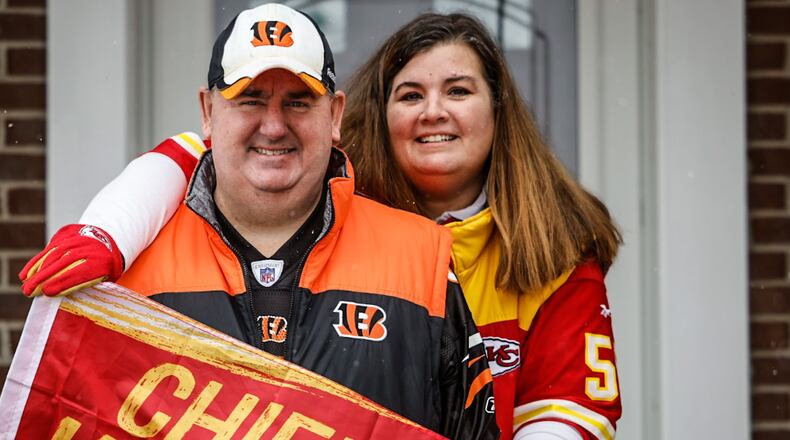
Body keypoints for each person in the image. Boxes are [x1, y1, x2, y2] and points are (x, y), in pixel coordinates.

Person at [20, 10, 622, 440]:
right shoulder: (315, 195)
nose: (433, 112)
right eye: (410, 94)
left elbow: (561, 417)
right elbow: (191, 154)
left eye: (458, 91)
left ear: (333, 117)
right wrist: (110, 230)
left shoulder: (469, 252)